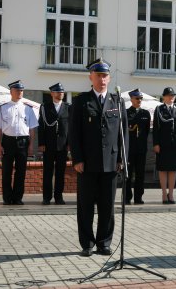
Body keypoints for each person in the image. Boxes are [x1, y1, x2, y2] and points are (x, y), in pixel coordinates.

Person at [69, 58, 128, 257]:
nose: (102, 79)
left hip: (111, 163)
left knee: (107, 206)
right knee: (85, 206)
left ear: (109, 78)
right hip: (87, 163)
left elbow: (123, 133)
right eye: (98, 75)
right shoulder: (80, 101)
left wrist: (122, 158)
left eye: (105, 76)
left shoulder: (117, 101)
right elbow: (74, 133)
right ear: (91, 77)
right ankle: (87, 243)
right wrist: (77, 159)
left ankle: (104, 243)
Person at [0, 80, 38, 205]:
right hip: (8, 141)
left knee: (21, 171)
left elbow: (32, 128)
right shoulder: (2, 108)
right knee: (6, 171)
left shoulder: (28, 109)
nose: (20, 92)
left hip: (23, 141)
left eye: (21, 90)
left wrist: (31, 145)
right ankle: (7, 198)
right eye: (17, 90)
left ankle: (17, 198)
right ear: (11, 91)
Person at [153, 87, 176, 204]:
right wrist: (156, 143)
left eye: (173, 95)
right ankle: (164, 194)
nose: (171, 97)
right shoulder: (159, 109)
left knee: (173, 170)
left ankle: (171, 194)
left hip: (175, 145)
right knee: (163, 170)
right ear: (164, 97)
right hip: (163, 145)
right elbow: (156, 128)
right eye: (169, 95)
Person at [38, 82, 70, 205]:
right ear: (52, 93)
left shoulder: (68, 107)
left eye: (62, 92)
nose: (60, 93)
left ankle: (58, 197)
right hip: (48, 145)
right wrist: (41, 143)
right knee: (47, 172)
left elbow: (70, 128)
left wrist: (69, 143)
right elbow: (41, 126)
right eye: (58, 92)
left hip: (62, 145)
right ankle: (46, 197)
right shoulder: (45, 107)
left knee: (60, 172)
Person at [125, 89, 151, 205]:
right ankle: (127, 197)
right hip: (129, 149)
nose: (139, 100)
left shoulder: (145, 113)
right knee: (128, 174)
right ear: (131, 99)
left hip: (141, 149)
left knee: (140, 174)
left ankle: (138, 197)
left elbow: (145, 132)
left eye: (140, 98)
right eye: (137, 98)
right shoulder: (126, 113)